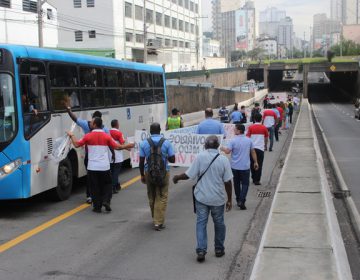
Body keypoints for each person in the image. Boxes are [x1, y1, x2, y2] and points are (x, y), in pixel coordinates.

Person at [173, 135, 233, 263]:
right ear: (217, 146)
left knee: (201, 223)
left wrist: (177, 177)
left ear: (205, 145)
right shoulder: (223, 160)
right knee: (219, 223)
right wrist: (230, 200)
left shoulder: (200, 157)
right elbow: (228, 182)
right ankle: (219, 249)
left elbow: (189, 174)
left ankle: (201, 250)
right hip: (218, 199)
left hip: (201, 198)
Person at [67, 118, 134, 213]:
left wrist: (71, 135)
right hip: (104, 167)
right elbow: (117, 147)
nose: (89, 123)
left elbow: (77, 144)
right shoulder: (106, 136)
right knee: (107, 185)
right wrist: (127, 146)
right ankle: (106, 201)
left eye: (91, 122)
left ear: (94, 125)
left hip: (92, 167)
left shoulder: (88, 136)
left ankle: (97, 207)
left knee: (95, 187)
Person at [65, 105, 110, 204]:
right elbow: (112, 145)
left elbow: (75, 119)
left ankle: (90, 196)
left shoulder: (87, 128)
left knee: (91, 178)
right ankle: (102, 198)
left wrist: (69, 110)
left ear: (93, 120)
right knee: (101, 180)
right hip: (102, 160)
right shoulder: (105, 130)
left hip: (90, 158)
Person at [139, 123, 175, 231]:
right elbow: (173, 159)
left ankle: (155, 218)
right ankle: (158, 222)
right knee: (162, 196)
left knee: (152, 196)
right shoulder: (166, 142)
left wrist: (142, 175)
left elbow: (141, 161)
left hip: (148, 172)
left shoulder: (143, 143)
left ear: (150, 131)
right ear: (160, 130)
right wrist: (165, 156)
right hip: (164, 172)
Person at [220, 124, 258, 210]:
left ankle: (238, 200)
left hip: (235, 166)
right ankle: (242, 200)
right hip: (245, 166)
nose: (234, 130)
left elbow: (227, 152)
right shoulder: (249, 140)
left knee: (236, 184)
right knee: (245, 184)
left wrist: (222, 148)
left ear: (239, 131)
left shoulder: (233, 141)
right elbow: (253, 152)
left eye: (235, 129)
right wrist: (255, 162)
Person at [246, 114, 268, 185]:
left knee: (252, 163)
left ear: (254, 119)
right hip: (260, 148)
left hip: (252, 149)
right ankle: (257, 180)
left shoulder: (251, 127)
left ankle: (253, 177)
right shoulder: (264, 127)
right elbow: (266, 138)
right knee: (260, 164)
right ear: (261, 119)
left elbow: (247, 138)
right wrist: (265, 146)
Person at [109, 119, 126, 194]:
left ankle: (116, 184)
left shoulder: (108, 132)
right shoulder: (119, 133)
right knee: (116, 173)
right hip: (117, 156)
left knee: (112, 172)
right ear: (116, 125)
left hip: (109, 155)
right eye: (118, 123)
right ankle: (113, 187)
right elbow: (122, 143)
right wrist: (129, 147)